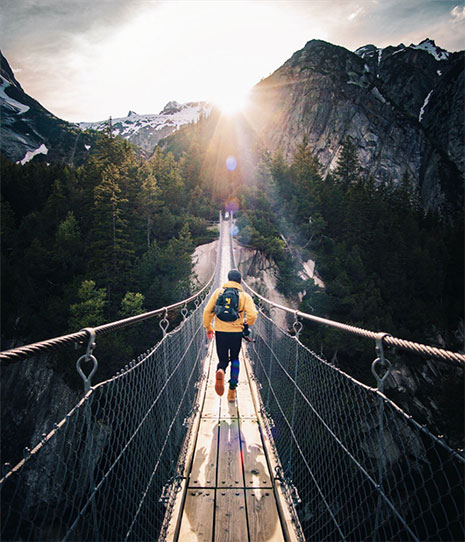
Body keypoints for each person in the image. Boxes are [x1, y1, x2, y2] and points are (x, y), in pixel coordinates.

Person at [203, 269, 258, 401]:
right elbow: (253, 315)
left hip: (221, 332)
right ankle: (231, 391)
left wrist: (208, 327)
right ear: (240, 281)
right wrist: (245, 323)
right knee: (234, 359)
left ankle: (220, 370)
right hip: (236, 334)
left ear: (228, 279)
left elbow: (207, 311)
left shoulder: (218, 293)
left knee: (222, 359)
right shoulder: (245, 296)